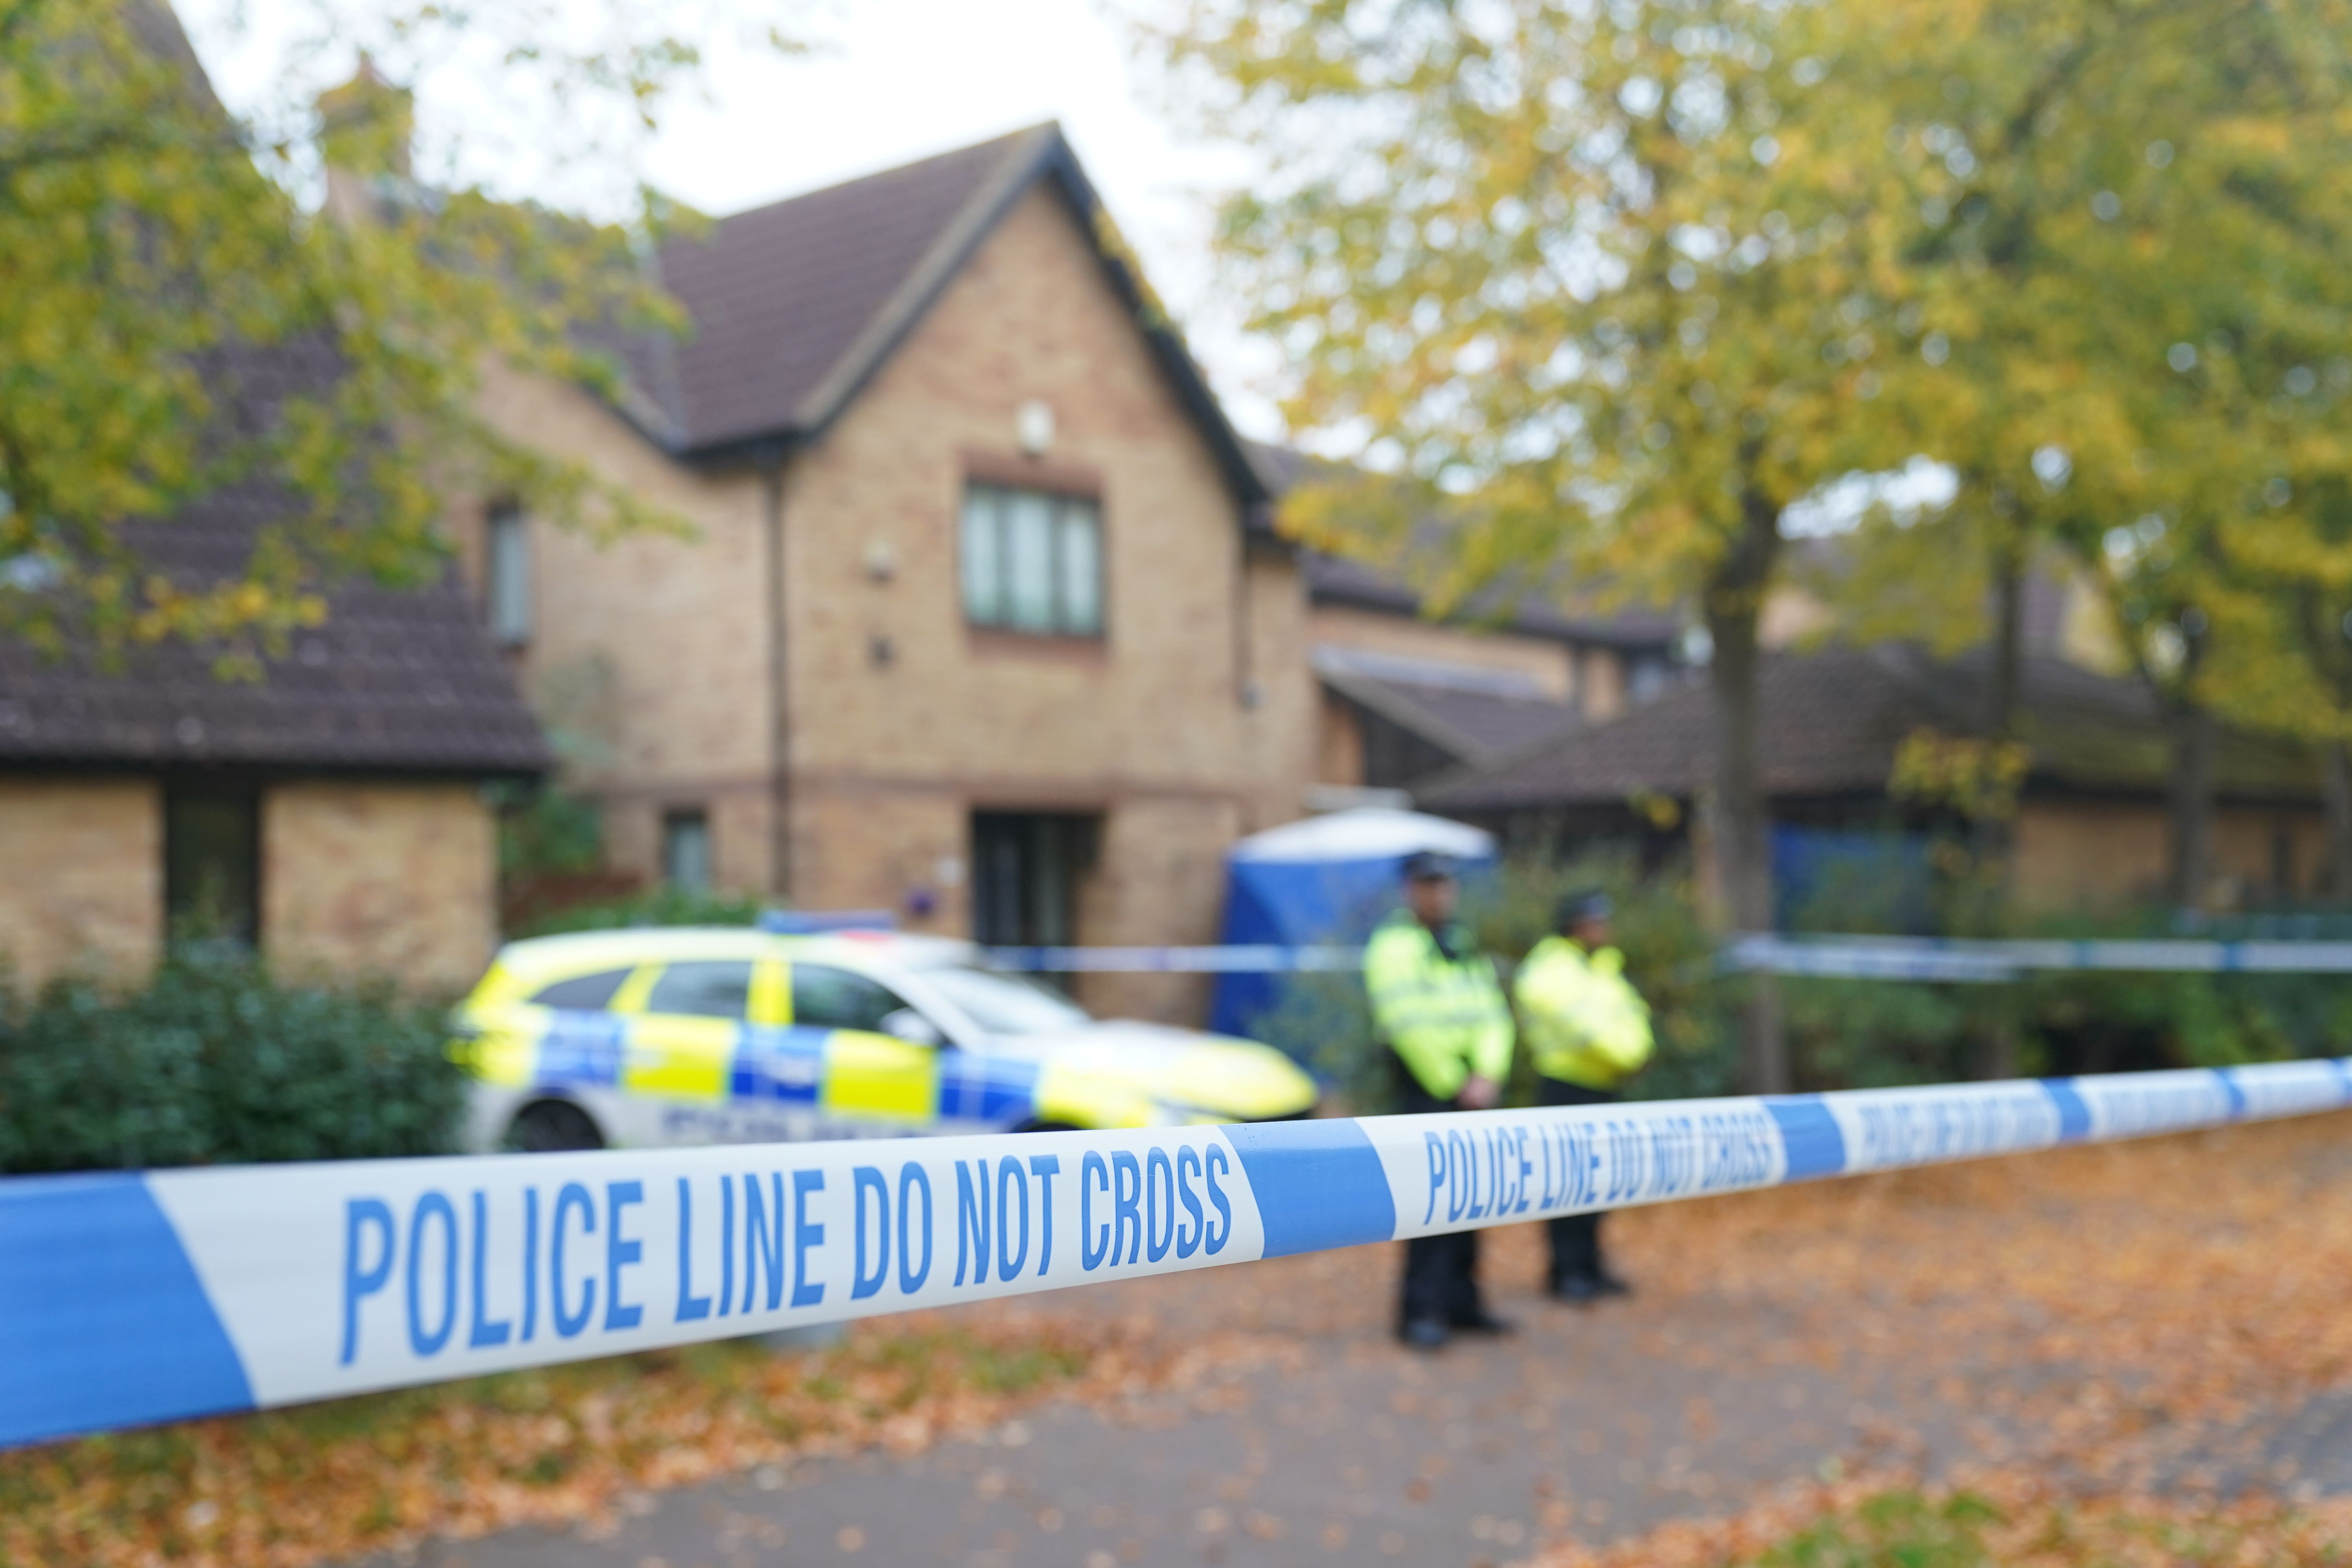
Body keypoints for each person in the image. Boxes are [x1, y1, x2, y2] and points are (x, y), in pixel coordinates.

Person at [1364, 850, 1516, 1351]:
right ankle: (1420, 1312)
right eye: (1430, 884)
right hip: (1428, 1091)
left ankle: (1463, 1304)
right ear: (1411, 890)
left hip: (1470, 1091)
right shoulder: (1394, 948)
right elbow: (1409, 1026)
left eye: (1446, 884)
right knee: (1428, 1203)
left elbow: (1493, 1014)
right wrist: (1457, 1084)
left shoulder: (1460, 943)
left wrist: (1488, 1074)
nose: (1440, 893)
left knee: (1472, 1199)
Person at [1515, 888, 1655, 1303]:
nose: (1604, 928)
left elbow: (1632, 1018)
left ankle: (1591, 1266)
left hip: (1605, 1086)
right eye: (1597, 921)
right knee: (1567, 1183)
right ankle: (1566, 1271)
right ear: (1576, 924)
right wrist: (1626, 1054)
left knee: (1601, 1181)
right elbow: (1580, 1026)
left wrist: (1634, 1053)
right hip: (1566, 1086)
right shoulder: (1550, 968)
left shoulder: (1603, 966)